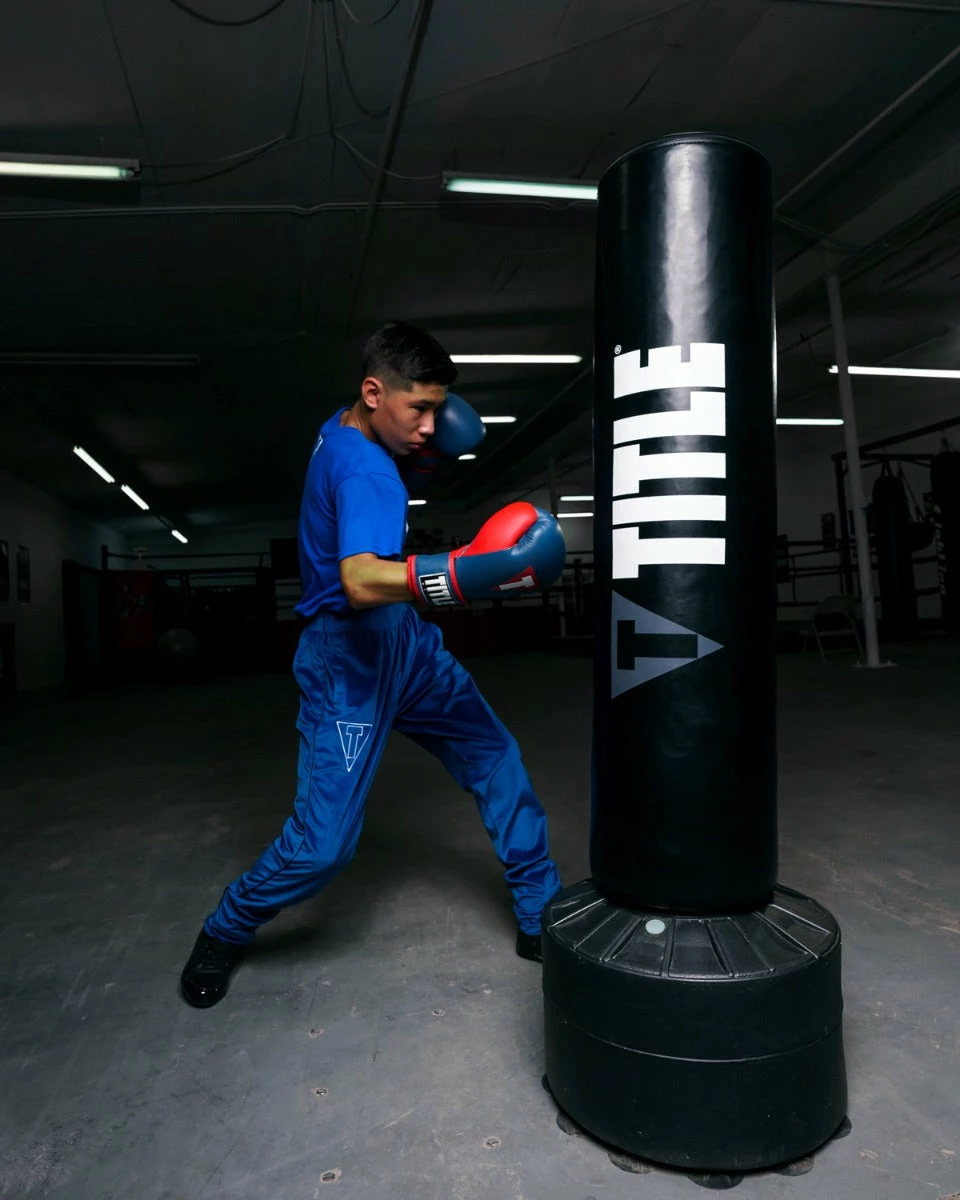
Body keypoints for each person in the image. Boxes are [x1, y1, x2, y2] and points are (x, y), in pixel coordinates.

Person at [180, 321, 566, 1008]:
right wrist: (463, 574)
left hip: (407, 645)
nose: (430, 426)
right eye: (418, 408)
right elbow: (360, 580)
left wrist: (419, 445)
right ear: (372, 391)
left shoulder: (346, 428)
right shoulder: (363, 470)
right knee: (323, 847)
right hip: (348, 658)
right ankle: (226, 926)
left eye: (435, 409)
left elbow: (389, 481)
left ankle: (540, 910)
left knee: (494, 757)